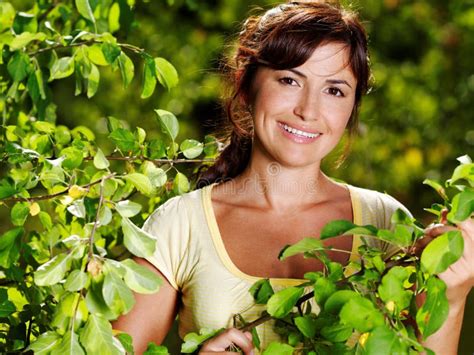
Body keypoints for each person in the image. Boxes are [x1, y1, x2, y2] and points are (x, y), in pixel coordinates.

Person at [113, 1, 474, 354]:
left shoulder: (385, 223)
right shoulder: (181, 224)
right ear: (247, 85)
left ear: (351, 108)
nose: (308, 110)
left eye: (334, 90)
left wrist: (452, 299)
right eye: (289, 80)